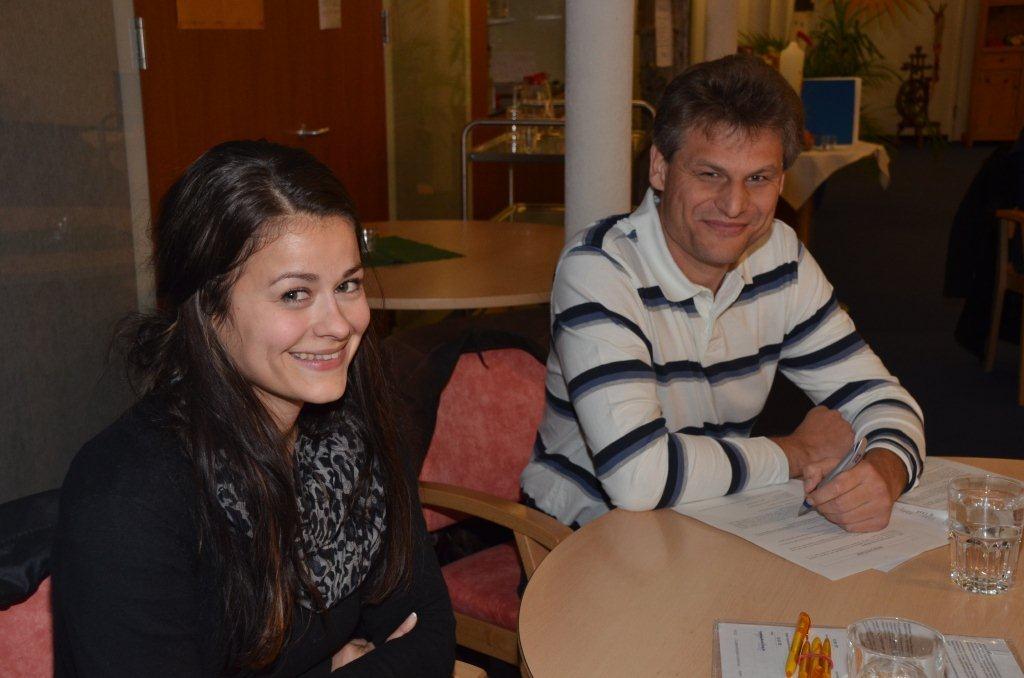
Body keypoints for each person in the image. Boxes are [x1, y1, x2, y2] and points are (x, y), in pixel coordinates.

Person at [53, 140, 456, 676]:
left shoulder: (352, 434)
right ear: (208, 308)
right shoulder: (128, 497)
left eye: (348, 285)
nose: (339, 324)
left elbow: (429, 638)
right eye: (294, 294)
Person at [521, 55, 925, 532]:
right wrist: (797, 452)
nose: (734, 205)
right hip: (580, 538)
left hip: (709, 518)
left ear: (781, 181)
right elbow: (637, 477)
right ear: (660, 168)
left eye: (758, 178)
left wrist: (885, 472)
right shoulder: (600, 270)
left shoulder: (779, 257)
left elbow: (881, 397)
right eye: (709, 174)